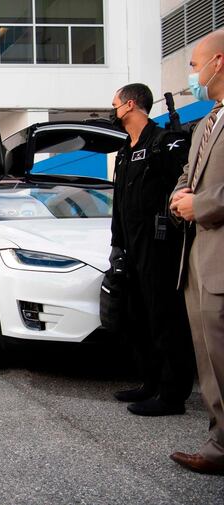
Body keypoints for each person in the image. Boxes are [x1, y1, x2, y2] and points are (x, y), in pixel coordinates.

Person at [108, 83, 195, 417]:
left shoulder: (164, 143)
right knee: (137, 316)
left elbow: (184, 188)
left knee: (165, 318)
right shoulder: (126, 151)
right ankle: (150, 381)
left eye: (114, 105)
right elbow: (119, 204)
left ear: (130, 105)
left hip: (160, 246)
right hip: (130, 246)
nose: (112, 111)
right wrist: (117, 245)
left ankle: (172, 395)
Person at [169, 30, 224, 475]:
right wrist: (178, 196)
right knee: (209, 357)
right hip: (198, 260)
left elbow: (206, 195)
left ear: (218, 63)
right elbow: (188, 175)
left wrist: (199, 205)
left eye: (193, 65)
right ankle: (219, 441)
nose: (191, 74)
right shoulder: (206, 123)